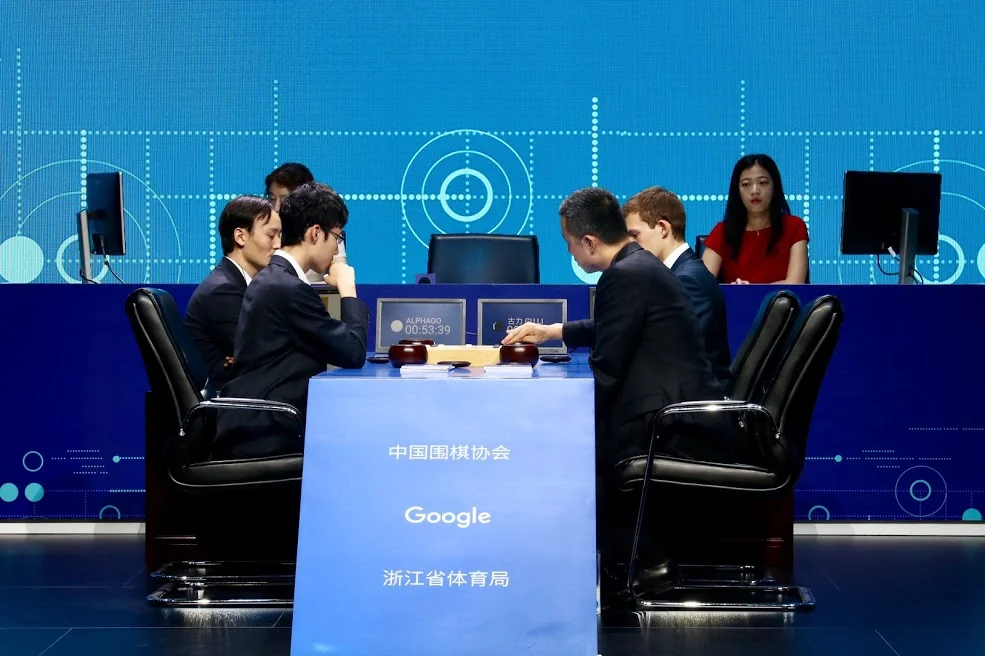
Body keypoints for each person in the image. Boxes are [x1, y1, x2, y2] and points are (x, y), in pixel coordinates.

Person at [502, 187, 730, 597]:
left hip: (666, 423)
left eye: (570, 243)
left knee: (571, 448)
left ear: (589, 241)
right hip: (667, 408)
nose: (570, 253)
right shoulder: (638, 266)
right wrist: (555, 331)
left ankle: (643, 559)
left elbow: (607, 369)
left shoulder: (624, 275)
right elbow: (616, 327)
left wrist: (554, 416)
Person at [215, 183, 369, 458]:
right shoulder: (288, 289)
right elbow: (353, 351)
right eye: (338, 236)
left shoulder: (277, 279)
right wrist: (348, 289)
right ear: (315, 233)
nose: (337, 249)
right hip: (267, 433)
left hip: (264, 423)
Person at [623, 186, 733, 393]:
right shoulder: (678, 275)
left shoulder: (687, 280)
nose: (629, 245)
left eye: (634, 235)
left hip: (693, 407)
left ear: (663, 228)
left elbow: (672, 353)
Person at [184, 195, 281, 389]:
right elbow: (261, 356)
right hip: (230, 405)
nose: (278, 245)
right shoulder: (223, 290)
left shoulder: (241, 283)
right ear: (240, 236)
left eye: (280, 236)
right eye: (271, 235)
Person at [701, 154, 809, 284]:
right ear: (737, 191)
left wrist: (751, 292)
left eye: (763, 183)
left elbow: (796, 283)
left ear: (775, 188)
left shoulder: (794, 226)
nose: (754, 191)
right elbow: (702, 287)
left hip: (783, 303)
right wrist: (732, 290)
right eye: (746, 184)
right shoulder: (722, 231)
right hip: (736, 303)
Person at [265, 163, 347, 280]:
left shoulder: (327, 230)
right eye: (272, 199)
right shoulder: (263, 231)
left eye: (284, 200)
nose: (277, 208)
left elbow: (340, 269)